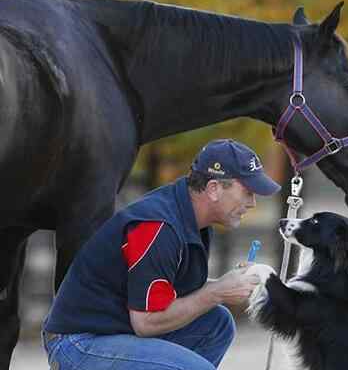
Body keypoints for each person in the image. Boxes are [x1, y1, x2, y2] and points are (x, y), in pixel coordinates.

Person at [42, 138, 281, 370]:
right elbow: (146, 322)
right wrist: (217, 291)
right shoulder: (158, 228)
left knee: (216, 324)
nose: (252, 203)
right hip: (78, 343)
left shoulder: (190, 217)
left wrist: (226, 284)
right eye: (248, 192)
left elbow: (163, 291)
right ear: (214, 189)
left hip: (114, 331)